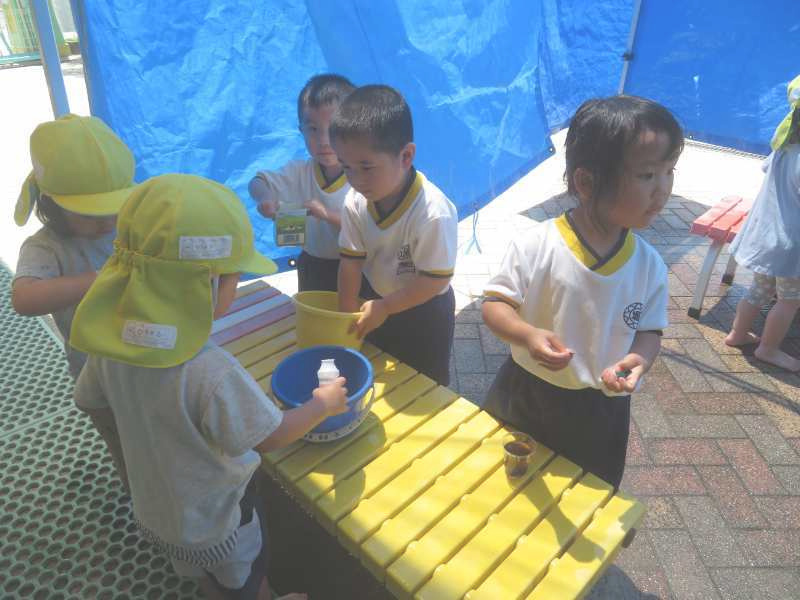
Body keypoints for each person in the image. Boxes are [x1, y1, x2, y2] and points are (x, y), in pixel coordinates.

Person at [70, 174, 348, 600]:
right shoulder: (209, 371)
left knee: (203, 574)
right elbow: (271, 436)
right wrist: (322, 404)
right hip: (221, 524)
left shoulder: (108, 346)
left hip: (158, 513)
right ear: (207, 284)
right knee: (247, 582)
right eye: (233, 277)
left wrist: (128, 457)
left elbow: (91, 402)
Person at [482, 96, 682, 489]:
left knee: (588, 495)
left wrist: (638, 360)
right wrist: (527, 334)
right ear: (586, 182)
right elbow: (495, 306)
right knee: (503, 484)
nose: (662, 190)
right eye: (647, 175)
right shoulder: (538, 244)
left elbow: (649, 331)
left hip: (601, 407)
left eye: (669, 171)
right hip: (526, 393)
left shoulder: (649, 265)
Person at [11, 113, 139, 489]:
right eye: (91, 212)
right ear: (51, 204)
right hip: (94, 372)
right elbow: (24, 298)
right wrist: (98, 280)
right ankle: (135, 491)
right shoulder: (45, 248)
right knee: (122, 440)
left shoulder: (125, 225)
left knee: (155, 433)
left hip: (144, 356)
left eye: (116, 206)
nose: (108, 221)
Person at [332, 85, 458, 386]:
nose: (355, 179)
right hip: (377, 300)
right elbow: (350, 263)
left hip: (425, 310)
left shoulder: (432, 212)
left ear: (406, 156)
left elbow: (434, 281)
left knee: (424, 383)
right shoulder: (355, 200)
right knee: (375, 369)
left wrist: (387, 307)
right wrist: (345, 319)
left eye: (366, 167)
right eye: (346, 167)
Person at [249, 74, 355, 292]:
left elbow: (369, 226)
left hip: (355, 265)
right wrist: (265, 199)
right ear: (301, 130)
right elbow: (258, 181)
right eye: (313, 129)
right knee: (310, 311)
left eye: (334, 128)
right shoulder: (299, 171)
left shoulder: (364, 176)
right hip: (312, 264)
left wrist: (326, 214)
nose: (324, 140)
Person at [724, 74, 800, 372]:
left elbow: (768, 171)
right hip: (790, 244)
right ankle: (768, 349)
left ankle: (737, 334)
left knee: (759, 289)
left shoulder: (784, 145)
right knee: (790, 300)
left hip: (766, 236)